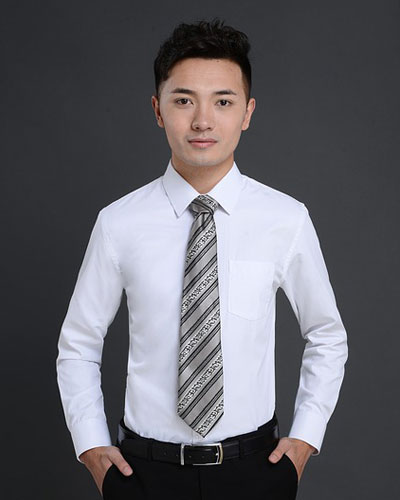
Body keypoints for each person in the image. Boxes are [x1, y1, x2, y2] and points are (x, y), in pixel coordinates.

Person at [56, 18, 348, 500]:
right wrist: (90, 446)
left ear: (247, 112)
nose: (203, 121)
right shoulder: (118, 223)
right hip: (144, 475)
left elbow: (327, 335)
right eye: (184, 100)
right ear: (158, 109)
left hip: (255, 471)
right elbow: (79, 344)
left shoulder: (286, 218)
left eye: (223, 102)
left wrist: (305, 440)